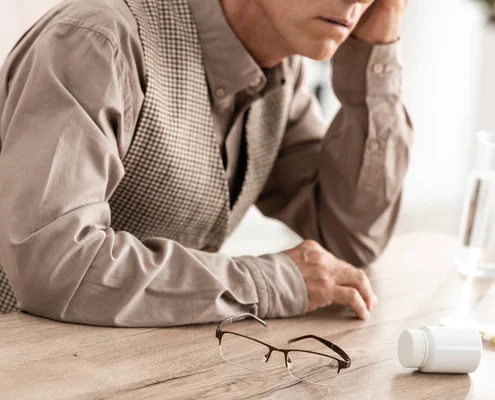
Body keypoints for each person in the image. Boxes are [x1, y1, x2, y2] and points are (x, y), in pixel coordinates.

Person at [0, 0, 412, 326]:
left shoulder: (280, 73)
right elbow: (53, 266)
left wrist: (377, 52)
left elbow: (348, 238)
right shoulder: (97, 41)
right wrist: (269, 282)